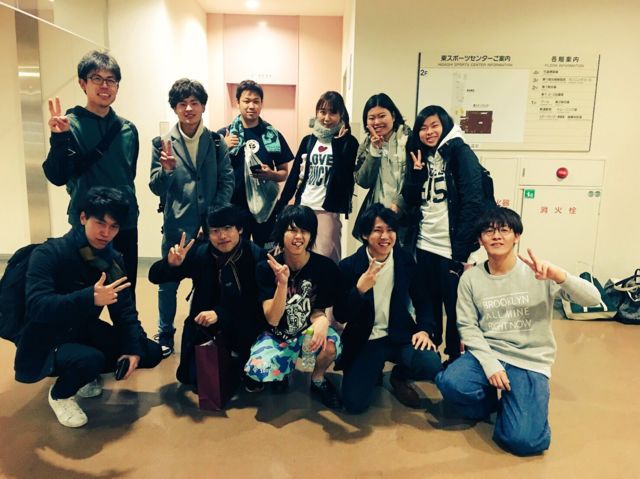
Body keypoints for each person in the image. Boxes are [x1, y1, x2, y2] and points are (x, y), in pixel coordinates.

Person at [435, 207, 601, 455]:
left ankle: (514, 407)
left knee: (524, 441)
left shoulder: (539, 273)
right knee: (451, 383)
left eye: (504, 230)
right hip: (488, 353)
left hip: (529, 360)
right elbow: (468, 327)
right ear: (480, 239)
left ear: (517, 236)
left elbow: (593, 299)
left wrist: (560, 277)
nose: (496, 236)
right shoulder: (471, 279)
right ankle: (488, 403)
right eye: (488, 231)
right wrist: (491, 365)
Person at [14, 187, 162, 428]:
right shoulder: (49, 254)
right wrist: (89, 298)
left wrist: (132, 350)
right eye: (100, 223)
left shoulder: (112, 260)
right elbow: (37, 306)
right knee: (91, 359)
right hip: (46, 337)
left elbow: (124, 311)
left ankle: (84, 372)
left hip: (82, 329)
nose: (106, 233)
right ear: (83, 218)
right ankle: (60, 394)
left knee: (150, 352)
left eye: (113, 227)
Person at [43, 50, 140, 295]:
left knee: (125, 292)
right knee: (84, 293)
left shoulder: (128, 129)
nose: (104, 86)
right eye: (97, 78)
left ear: (117, 86)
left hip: (123, 224)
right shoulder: (69, 125)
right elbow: (57, 177)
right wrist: (59, 139)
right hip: (87, 226)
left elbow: (128, 175)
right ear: (82, 83)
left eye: (111, 80)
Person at [149, 78, 234, 357]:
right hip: (177, 227)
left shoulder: (216, 142)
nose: (188, 109)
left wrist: (212, 221)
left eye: (194, 103)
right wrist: (167, 171)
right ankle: (165, 333)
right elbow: (155, 187)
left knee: (207, 284)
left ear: (203, 106)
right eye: (182, 104)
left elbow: (227, 181)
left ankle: (199, 332)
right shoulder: (161, 143)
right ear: (175, 108)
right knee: (168, 284)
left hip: (209, 232)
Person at [334, 204, 442, 413]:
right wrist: (359, 290)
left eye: (390, 230)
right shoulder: (349, 266)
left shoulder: (405, 261)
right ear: (365, 235)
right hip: (365, 339)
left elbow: (423, 300)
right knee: (354, 403)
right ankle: (372, 369)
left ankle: (399, 375)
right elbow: (340, 314)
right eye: (378, 230)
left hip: (399, 335)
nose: (385, 236)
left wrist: (424, 329)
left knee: (431, 363)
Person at [402, 105, 489, 365]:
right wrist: (417, 175)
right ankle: (430, 347)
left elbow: (473, 202)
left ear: (445, 126)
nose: (428, 132)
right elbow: (410, 200)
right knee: (427, 301)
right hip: (423, 244)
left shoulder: (461, 153)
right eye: (423, 128)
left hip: (451, 248)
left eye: (434, 126)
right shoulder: (421, 156)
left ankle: (454, 356)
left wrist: (461, 252)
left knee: (455, 307)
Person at [148, 206, 268, 391]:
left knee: (252, 378)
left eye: (227, 228)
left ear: (240, 229)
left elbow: (257, 304)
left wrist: (220, 314)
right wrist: (170, 264)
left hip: (244, 323)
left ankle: (240, 361)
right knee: (190, 378)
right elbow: (154, 277)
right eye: (215, 231)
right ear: (207, 233)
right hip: (205, 325)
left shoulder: (255, 255)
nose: (222, 236)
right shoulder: (200, 253)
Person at [244, 205, 342, 409]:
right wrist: (282, 284)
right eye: (292, 230)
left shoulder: (325, 268)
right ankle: (283, 371)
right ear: (282, 233)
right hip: (278, 334)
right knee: (257, 370)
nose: (298, 236)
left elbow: (318, 310)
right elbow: (272, 319)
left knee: (331, 346)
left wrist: (322, 320)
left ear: (311, 235)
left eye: (304, 231)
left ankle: (317, 379)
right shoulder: (266, 268)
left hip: (306, 332)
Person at [277, 91, 359, 262]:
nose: (326, 118)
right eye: (322, 112)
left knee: (326, 255)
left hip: (327, 208)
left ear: (341, 114)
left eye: (332, 112)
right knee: (301, 252)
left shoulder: (348, 143)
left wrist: (338, 144)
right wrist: (282, 203)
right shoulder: (309, 140)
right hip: (304, 204)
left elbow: (344, 179)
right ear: (316, 113)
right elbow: (295, 175)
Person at [218, 80, 293, 249]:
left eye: (256, 101)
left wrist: (271, 175)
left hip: (266, 206)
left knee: (266, 252)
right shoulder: (224, 135)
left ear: (261, 104)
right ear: (237, 103)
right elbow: (211, 171)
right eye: (246, 101)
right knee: (236, 252)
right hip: (233, 206)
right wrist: (223, 147)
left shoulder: (272, 135)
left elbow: (284, 172)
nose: (251, 106)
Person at [353, 93, 412, 244]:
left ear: (393, 116)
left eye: (382, 116)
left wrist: (399, 203)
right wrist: (374, 151)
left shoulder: (409, 140)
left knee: (402, 255)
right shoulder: (367, 145)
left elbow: (416, 178)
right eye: (371, 118)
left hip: (406, 214)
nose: (377, 122)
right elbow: (362, 181)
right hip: (378, 214)